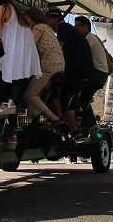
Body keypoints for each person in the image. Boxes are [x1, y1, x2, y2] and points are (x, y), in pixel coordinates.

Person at [0, 0, 42, 116]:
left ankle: (4, 103)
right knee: (5, 79)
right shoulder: (14, 10)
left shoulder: (1, 8)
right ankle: (9, 104)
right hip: (27, 58)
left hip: (17, 55)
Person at [45, 8, 95, 138]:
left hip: (75, 68)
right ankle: (71, 129)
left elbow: (58, 48)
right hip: (82, 69)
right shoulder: (68, 28)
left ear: (56, 19)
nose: (47, 23)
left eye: (48, 20)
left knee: (54, 89)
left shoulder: (62, 27)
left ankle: (59, 120)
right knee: (66, 97)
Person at [22, 8, 64, 128]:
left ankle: (53, 118)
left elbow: (28, 45)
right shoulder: (48, 29)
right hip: (58, 66)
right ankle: (34, 123)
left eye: (27, 19)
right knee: (37, 94)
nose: (26, 22)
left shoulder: (38, 27)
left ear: (34, 19)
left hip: (49, 66)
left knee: (29, 94)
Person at [73, 15, 109, 136]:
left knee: (76, 93)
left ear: (86, 26)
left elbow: (79, 53)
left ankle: (81, 121)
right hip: (100, 74)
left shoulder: (89, 38)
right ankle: (88, 126)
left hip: (98, 74)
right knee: (84, 99)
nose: (75, 28)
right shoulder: (92, 37)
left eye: (77, 25)